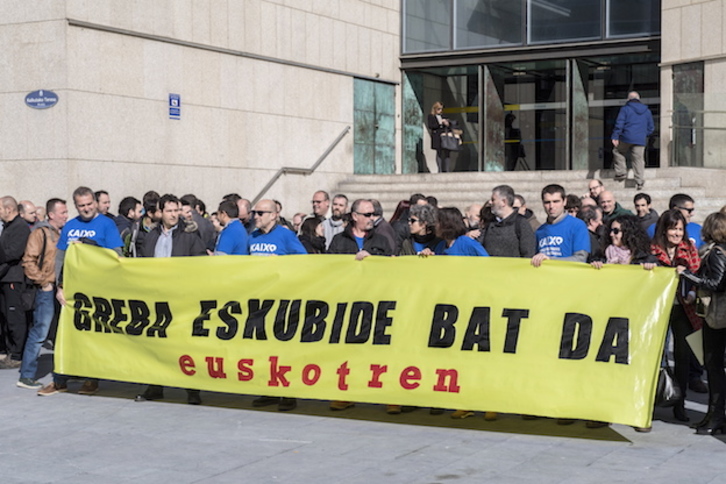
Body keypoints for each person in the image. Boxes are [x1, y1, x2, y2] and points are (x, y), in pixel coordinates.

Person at [37, 186, 124, 396]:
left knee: (91, 334)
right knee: (64, 334)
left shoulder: (107, 224)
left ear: (94, 202)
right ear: (75, 206)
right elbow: (61, 258)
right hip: (72, 291)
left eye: (88, 204)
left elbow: (117, 256)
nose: (85, 209)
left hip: (96, 290)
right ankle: (59, 380)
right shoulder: (70, 226)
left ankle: (91, 379)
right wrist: (59, 286)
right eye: (81, 205)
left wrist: (90, 245)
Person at [134, 194, 206, 405]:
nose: (174, 215)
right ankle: (155, 385)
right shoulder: (151, 235)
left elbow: (201, 263)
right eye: (169, 211)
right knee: (156, 342)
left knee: (185, 344)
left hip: (183, 298)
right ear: (160, 213)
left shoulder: (189, 234)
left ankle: (192, 389)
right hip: (157, 298)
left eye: (176, 210)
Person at [248, 199, 306, 412]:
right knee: (264, 347)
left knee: (284, 348)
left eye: (261, 213)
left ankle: (288, 393)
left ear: (273, 215)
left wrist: (282, 263)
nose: (256, 216)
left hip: (283, 300)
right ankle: (269, 389)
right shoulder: (252, 236)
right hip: (260, 300)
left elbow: (303, 259)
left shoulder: (285, 235)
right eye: (255, 212)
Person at [650, 209, 701, 423]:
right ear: (665, 229)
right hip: (657, 309)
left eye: (680, 229)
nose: (677, 233)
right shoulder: (652, 249)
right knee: (655, 355)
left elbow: (698, 275)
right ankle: (654, 400)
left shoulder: (689, 249)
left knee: (683, 356)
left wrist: (690, 292)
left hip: (683, 308)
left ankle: (679, 404)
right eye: (673, 228)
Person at [680, 212, 726, 435]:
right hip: (718, 315)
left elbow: (716, 283)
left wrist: (688, 275)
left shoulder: (716, 253)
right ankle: (714, 415)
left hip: (717, 315)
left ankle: (716, 417)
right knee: (714, 367)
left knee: (714, 367)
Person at [15, 199, 68, 387]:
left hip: (62, 289)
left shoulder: (64, 233)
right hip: (46, 289)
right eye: (62, 212)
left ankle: (64, 373)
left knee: (62, 333)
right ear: (51, 214)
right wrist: (44, 281)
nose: (66, 215)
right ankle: (27, 375)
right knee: (40, 331)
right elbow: (28, 261)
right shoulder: (40, 233)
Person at [0, 196, 32, 368]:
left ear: (8, 209)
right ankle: (9, 351)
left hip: (13, 278)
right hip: (4, 278)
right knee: (5, 317)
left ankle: (18, 355)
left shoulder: (20, 228)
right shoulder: (8, 227)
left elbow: (13, 253)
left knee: (15, 318)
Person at [531, 185, 590, 268]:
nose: (551, 206)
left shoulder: (577, 225)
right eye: (547, 202)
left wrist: (550, 260)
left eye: (556, 201)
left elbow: (580, 259)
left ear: (564, 201)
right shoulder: (540, 231)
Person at [611, 91, 654, 190]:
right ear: (639, 99)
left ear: (628, 99)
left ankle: (621, 172)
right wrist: (643, 135)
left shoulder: (625, 109)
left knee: (617, 151)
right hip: (640, 139)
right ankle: (639, 181)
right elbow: (651, 127)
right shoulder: (647, 111)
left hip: (626, 137)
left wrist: (615, 136)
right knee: (638, 159)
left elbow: (619, 123)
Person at [482, 185, 536, 258]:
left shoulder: (521, 223)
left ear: (504, 202)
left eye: (493, 199)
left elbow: (528, 253)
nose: (490, 202)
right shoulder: (490, 224)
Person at [328, 199, 393, 259]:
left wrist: (372, 259)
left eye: (373, 214)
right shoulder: (338, 240)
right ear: (355, 216)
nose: (372, 218)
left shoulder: (382, 240)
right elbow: (330, 264)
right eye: (368, 214)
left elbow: (388, 266)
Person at [427, 102, 453, 173]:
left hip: (444, 136)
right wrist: (440, 123)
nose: (440, 111)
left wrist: (447, 123)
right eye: (438, 109)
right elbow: (431, 126)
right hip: (437, 136)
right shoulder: (431, 116)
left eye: (441, 109)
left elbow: (450, 125)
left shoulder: (443, 116)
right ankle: (440, 169)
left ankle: (447, 169)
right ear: (435, 109)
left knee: (447, 152)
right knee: (439, 153)